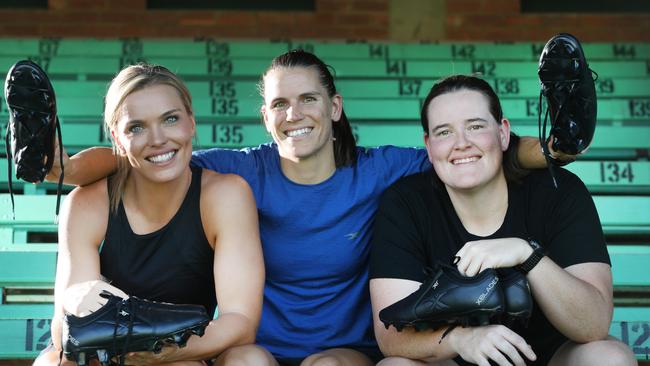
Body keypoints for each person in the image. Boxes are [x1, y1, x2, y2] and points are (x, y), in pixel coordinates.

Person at [47, 51, 563, 365]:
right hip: (256, 349)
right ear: (266, 118)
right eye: (278, 104)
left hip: (348, 350)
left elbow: (472, 150)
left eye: (309, 99)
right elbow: (131, 161)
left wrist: (558, 147)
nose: (294, 114)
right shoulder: (241, 169)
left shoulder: (382, 168)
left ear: (334, 108)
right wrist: (60, 169)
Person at [369, 75, 636, 366]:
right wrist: (461, 338)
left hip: (550, 358)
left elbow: (594, 325)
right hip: (452, 358)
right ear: (429, 146)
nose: (461, 143)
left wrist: (528, 255)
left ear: (504, 133)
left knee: (610, 357)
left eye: (476, 126)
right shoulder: (406, 203)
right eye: (444, 132)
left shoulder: (559, 191)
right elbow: (390, 337)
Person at [34, 64, 266, 366]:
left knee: (250, 359)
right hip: (108, 356)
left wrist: (157, 350)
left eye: (170, 119)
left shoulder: (225, 196)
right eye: (137, 127)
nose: (157, 139)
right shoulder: (87, 204)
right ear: (118, 139)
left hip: (185, 353)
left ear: (191, 123)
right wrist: (75, 300)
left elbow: (240, 324)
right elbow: (65, 336)